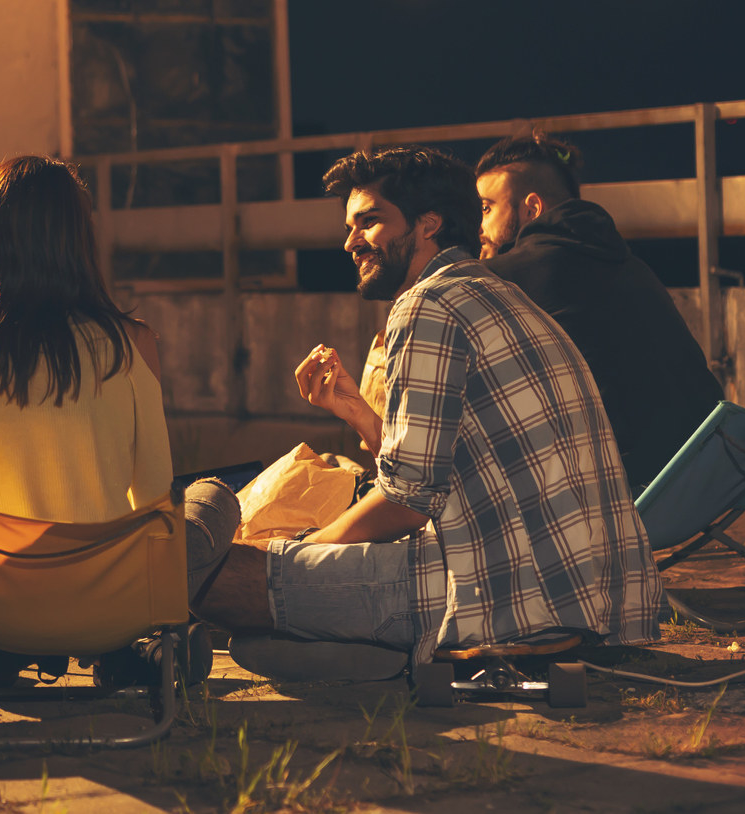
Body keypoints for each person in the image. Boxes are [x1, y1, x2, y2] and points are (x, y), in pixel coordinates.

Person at [198, 147, 662, 670]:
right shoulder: (497, 293)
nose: (349, 241)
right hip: (584, 594)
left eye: (368, 221)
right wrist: (356, 412)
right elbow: (446, 469)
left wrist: (307, 548)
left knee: (212, 568)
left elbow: (407, 502)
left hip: (501, 596)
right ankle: (365, 648)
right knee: (261, 617)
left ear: (428, 224)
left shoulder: (427, 306)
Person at [0, 156, 237, 687]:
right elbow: (154, 503)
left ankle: (8, 651)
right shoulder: (131, 343)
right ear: (78, 241)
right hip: (109, 608)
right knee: (213, 497)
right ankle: (133, 650)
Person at [474, 133, 724, 491]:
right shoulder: (627, 262)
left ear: (531, 208)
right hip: (711, 468)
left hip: (628, 487)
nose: (479, 227)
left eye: (486, 208)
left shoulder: (511, 276)